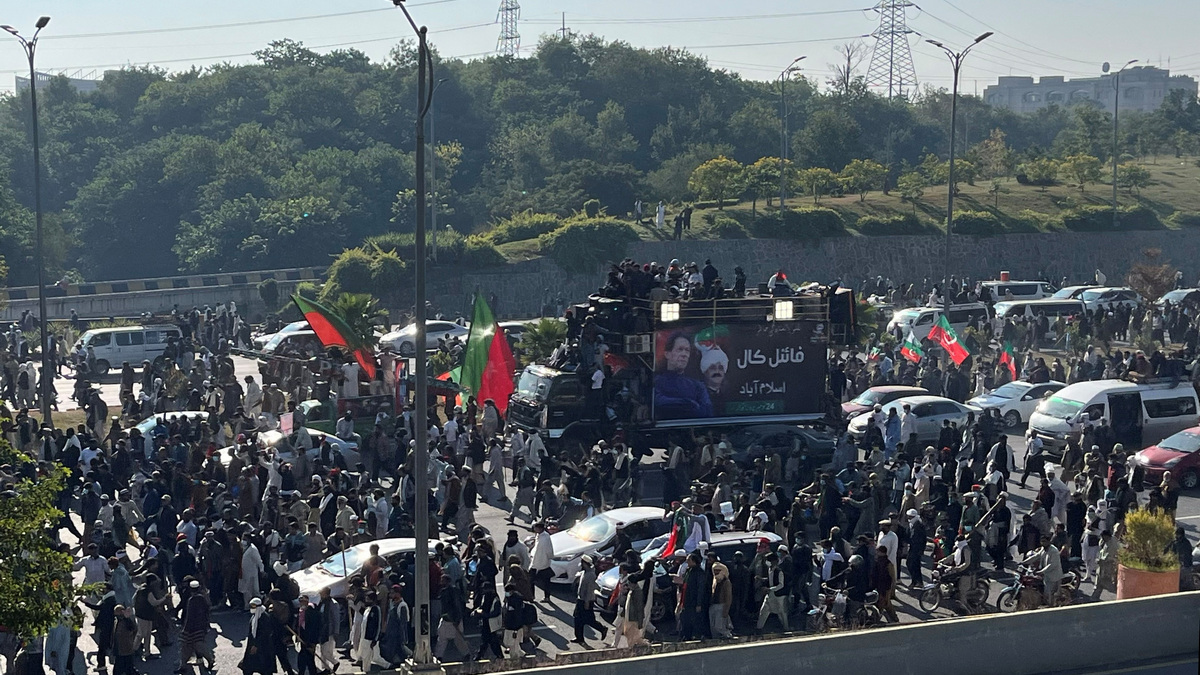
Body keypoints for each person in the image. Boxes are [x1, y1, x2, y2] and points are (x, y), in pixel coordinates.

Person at [654, 334, 713, 419]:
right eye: (680, 349)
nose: (684, 354)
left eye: (687, 350)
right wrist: (690, 404)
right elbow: (657, 402)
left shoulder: (698, 386)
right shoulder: (655, 383)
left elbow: (707, 412)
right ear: (667, 354)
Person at [571, 555, 607, 645]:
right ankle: (579, 638)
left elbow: (590, 590)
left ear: (585, 564)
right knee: (577, 619)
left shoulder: (591, 575)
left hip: (586, 601)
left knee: (589, 620)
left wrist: (587, 602)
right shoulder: (585, 572)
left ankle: (602, 628)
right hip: (580, 599)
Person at [242, 597, 277, 675]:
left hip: (263, 647)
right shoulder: (254, 616)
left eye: (253, 606)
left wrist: (256, 645)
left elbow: (265, 633)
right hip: (253, 645)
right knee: (247, 668)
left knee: (264, 668)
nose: (252, 608)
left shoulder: (264, 617)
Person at [756, 552, 789, 632]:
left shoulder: (779, 572)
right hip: (770, 595)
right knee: (763, 611)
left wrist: (770, 589)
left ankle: (786, 629)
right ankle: (759, 628)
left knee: (782, 614)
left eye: (769, 560)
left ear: (774, 561)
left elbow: (781, 585)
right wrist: (761, 579)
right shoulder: (769, 569)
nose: (767, 562)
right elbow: (770, 579)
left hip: (779, 596)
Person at [530, 522, 554, 603]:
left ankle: (547, 597)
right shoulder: (538, 535)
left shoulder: (545, 538)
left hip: (543, 562)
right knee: (531, 580)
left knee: (545, 581)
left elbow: (549, 550)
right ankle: (532, 596)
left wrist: (549, 558)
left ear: (540, 528)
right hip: (535, 561)